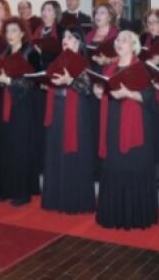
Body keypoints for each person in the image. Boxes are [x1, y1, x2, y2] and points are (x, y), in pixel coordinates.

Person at [93, 30, 159, 230]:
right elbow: (105, 92)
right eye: (118, 40)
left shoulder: (142, 68)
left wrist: (128, 94)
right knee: (114, 166)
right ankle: (114, 214)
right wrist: (98, 92)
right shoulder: (109, 68)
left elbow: (151, 99)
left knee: (134, 166)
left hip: (137, 127)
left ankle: (136, 216)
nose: (119, 43)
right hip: (113, 123)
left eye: (124, 40)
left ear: (134, 45)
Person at [0, 18, 43, 206]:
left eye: (14, 31)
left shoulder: (31, 53)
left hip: (23, 106)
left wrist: (9, 81)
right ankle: (4, 188)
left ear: (22, 33)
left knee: (20, 147)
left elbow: (35, 81)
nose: (9, 35)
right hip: (5, 103)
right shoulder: (5, 52)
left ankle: (22, 191)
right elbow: (3, 76)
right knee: (4, 144)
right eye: (7, 31)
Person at [42, 26, 97, 214]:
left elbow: (87, 89)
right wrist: (46, 84)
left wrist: (70, 81)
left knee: (74, 154)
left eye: (71, 37)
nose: (65, 39)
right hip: (57, 109)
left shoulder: (83, 62)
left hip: (77, 113)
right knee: (56, 152)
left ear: (79, 43)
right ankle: (56, 199)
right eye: (64, 36)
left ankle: (74, 201)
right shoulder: (57, 60)